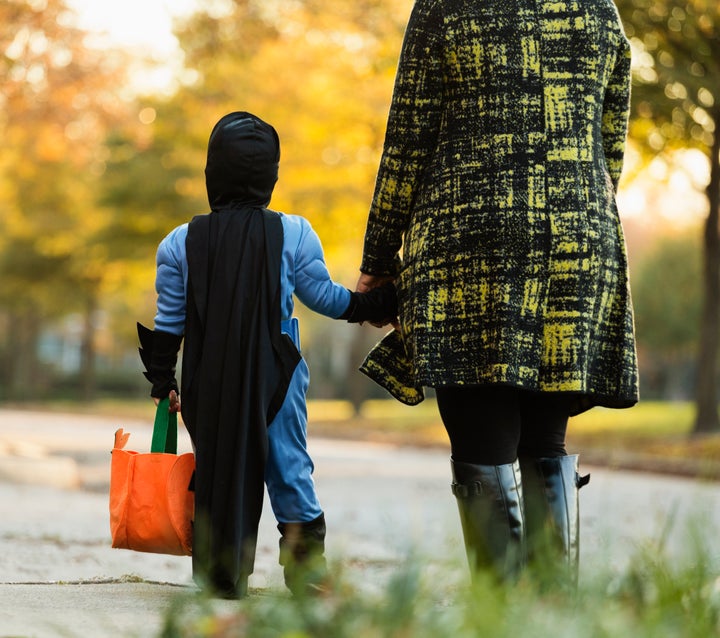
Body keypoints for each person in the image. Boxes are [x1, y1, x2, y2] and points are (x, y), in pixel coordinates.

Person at [356, 0, 638, 586]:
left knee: (482, 427)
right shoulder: (598, 10)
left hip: (472, 238)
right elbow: (610, 147)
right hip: (575, 239)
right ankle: (551, 615)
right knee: (545, 436)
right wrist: (570, 206)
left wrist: (379, 262)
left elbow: (408, 141)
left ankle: (503, 612)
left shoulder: (445, 8)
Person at [138, 111, 397, 599]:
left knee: (216, 465)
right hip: (275, 373)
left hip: (206, 380)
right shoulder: (294, 233)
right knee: (288, 464)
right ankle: (307, 573)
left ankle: (221, 574)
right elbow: (325, 298)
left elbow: (168, 324)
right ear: (270, 176)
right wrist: (375, 304)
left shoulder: (178, 243)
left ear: (212, 170)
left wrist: (163, 381)